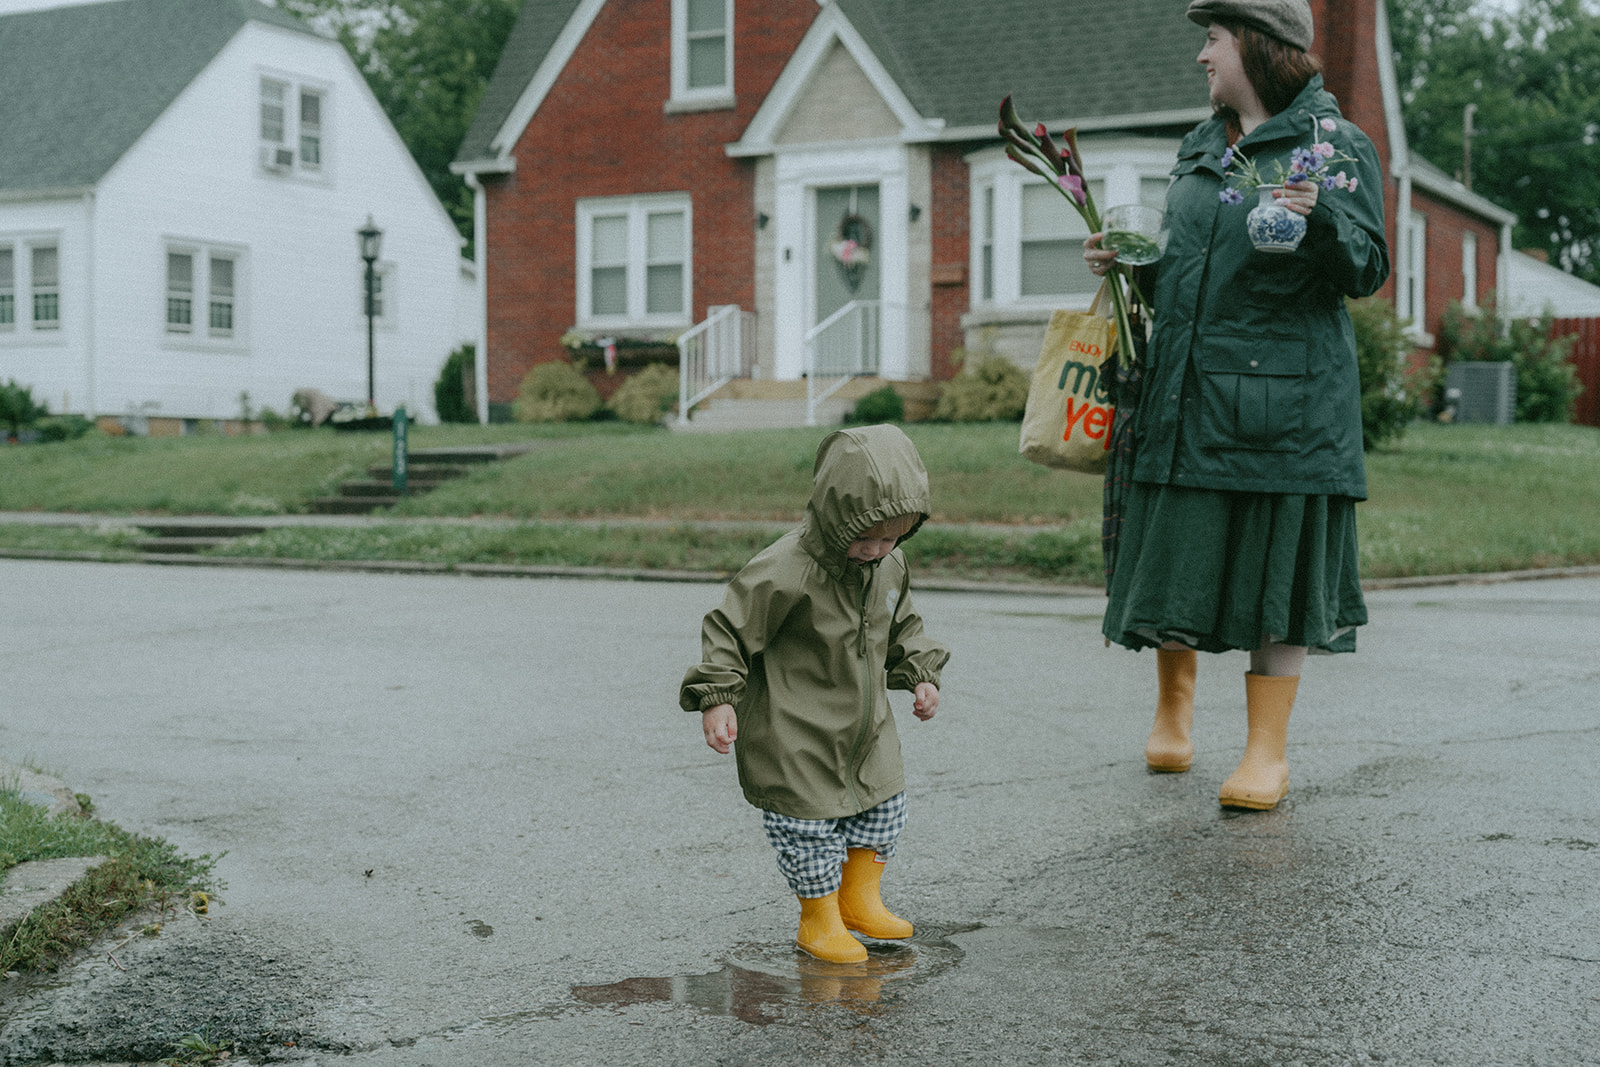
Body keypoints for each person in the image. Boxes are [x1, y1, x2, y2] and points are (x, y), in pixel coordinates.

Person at [1083, 0, 1388, 810]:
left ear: (1257, 45)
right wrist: (1129, 264)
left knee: (1277, 573)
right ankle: (1173, 709)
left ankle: (1266, 752)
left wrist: (1316, 215)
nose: (1201, 57)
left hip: (1283, 403)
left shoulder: (1334, 146)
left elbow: (1365, 269)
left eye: (1212, 40)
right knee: (1180, 550)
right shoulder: (1199, 148)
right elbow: (1191, 266)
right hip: (1185, 388)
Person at [679, 424, 949, 963]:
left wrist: (920, 671)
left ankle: (859, 897)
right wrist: (718, 697)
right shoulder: (786, 570)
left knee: (885, 807)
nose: (875, 551)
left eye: (892, 538)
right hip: (794, 729)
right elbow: (730, 629)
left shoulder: (887, 563)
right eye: (865, 537)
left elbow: (904, 623)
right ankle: (818, 917)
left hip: (864, 729)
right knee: (807, 830)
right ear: (835, 514)